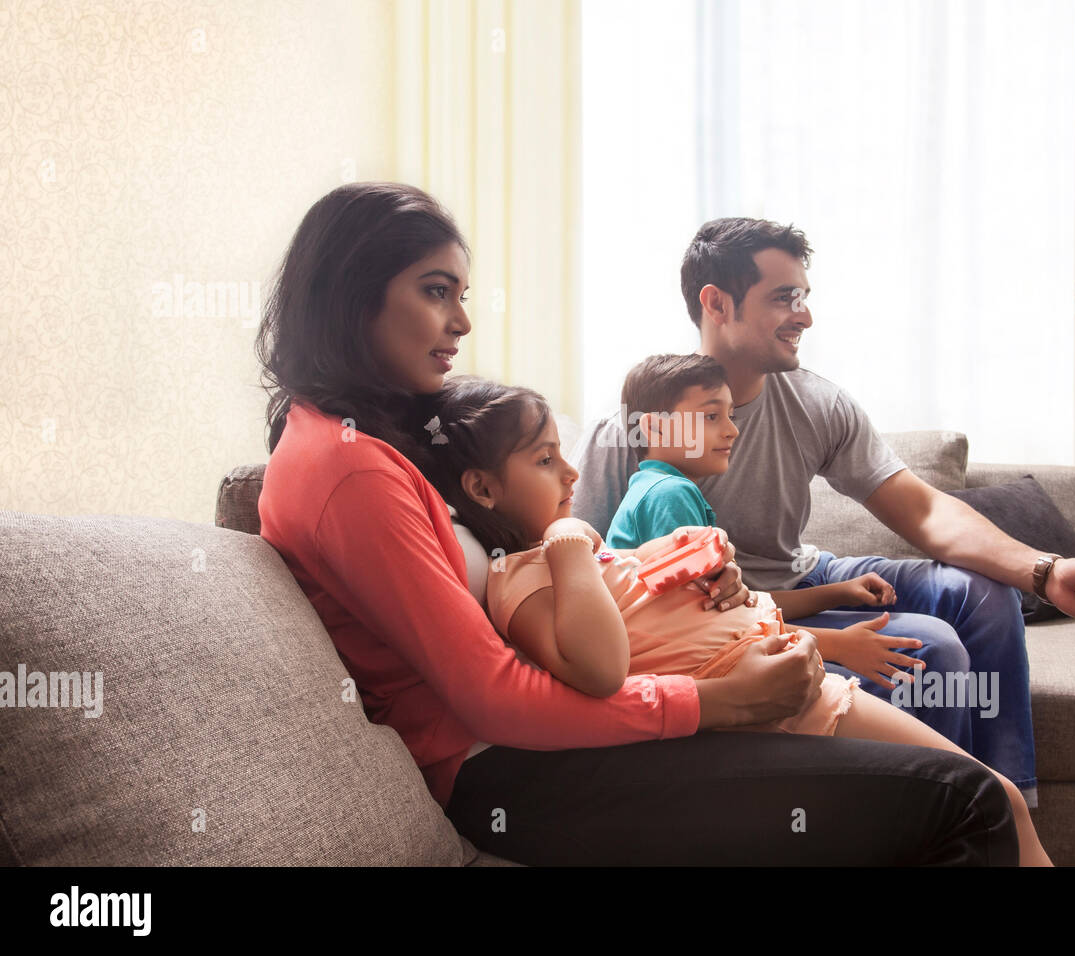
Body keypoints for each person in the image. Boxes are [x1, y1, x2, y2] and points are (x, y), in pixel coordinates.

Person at [253, 181, 1021, 865]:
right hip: (514, 771)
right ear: (353, 297)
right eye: (434, 291)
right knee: (969, 801)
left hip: (550, 738)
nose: (460, 320)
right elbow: (491, 694)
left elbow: (558, 567)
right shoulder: (347, 468)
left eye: (460, 293)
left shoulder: (376, 438)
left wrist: (689, 581)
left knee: (953, 715)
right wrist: (717, 703)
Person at [572, 217, 1075, 811]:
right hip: (725, 622)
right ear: (717, 303)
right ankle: (946, 822)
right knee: (932, 651)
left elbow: (924, 511)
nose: (804, 316)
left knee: (986, 594)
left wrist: (1045, 571)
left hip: (799, 577)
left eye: (804, 297)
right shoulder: (635, 430)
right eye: (783, 298)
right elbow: (576, 570)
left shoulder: (816, 402)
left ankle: (1005, 815)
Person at [405, 375, 1052, 865]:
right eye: (546, 461)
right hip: (771, 707)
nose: (572, 470)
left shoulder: (579, 556)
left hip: (790, 679)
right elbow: (600, 668)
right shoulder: (524, 574)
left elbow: (658, 610)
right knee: (987, 800)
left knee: (991, 800)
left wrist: (711, 578)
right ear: (483, 489)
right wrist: (573, 539)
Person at [605, 352, 920, 690]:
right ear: (654, 427)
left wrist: (837, 593)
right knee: (918, 661)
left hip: (695, 658)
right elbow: (712, 629)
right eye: (712, 416)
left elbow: (730, 604)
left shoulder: (659, 488)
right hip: (689, 674)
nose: (732, 431)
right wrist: (838, 644)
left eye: (730, 415)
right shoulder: (669, 495)